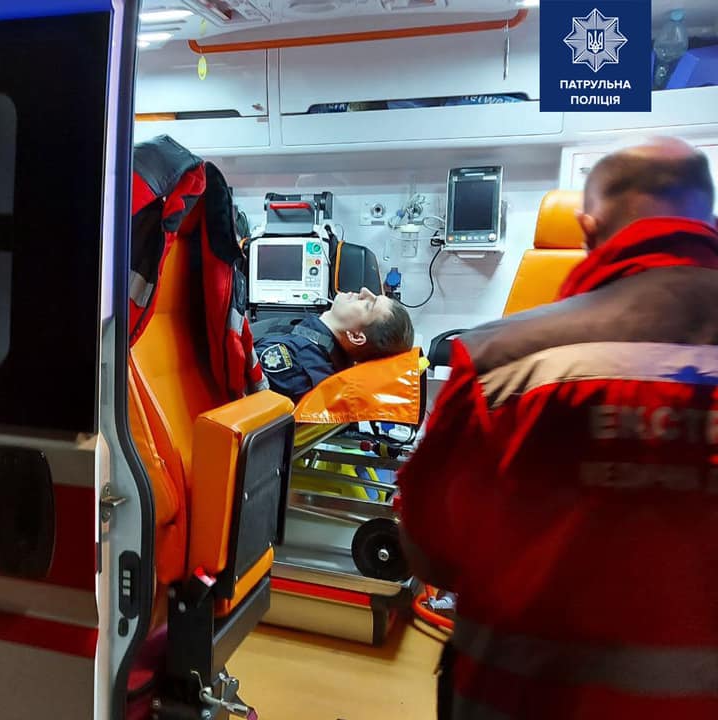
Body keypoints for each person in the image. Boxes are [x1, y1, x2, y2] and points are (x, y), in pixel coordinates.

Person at [397, 137, 718, 720]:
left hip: (523, 698)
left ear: (588, 230)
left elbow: (430, 551)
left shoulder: (504, 362)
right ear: (707, 219)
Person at [251, 287, 414, 402]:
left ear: (356, 336)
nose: (364, 291)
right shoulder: (311, 342)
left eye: (368, 305)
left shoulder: (297, 363)